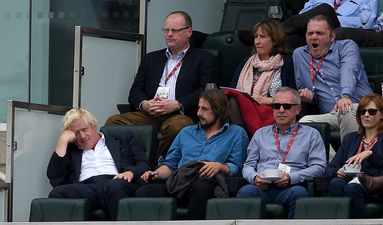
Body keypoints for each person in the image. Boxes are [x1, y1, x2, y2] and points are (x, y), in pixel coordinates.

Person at [105, 10, 218, 159]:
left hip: (180, 114)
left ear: (188, 31)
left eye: (175, 30)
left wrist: (178, 104)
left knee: (178, 126)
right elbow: (135, 91)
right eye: (166, 30)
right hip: (150, 113)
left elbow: (207, 91)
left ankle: (154, 162)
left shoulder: (204, 59)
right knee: (113, 122)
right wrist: (144, 104)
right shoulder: (151, 58)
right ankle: (128, 162)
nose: (169, 34)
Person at [135, 89, 249, 220]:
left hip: (208, 184)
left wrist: (220, 166)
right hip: (180, 183)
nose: (199, 113)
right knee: (143, 192)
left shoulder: (236, 133)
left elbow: (237, 167)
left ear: (218, 110)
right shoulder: (186, 132)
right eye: (199, 108)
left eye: (205, 109)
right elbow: (170, 164)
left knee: (201, 187)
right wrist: (156, 174)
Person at [236, 87, 327, 218]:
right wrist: (255, 178)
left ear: (298, 110)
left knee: (299, 194)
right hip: (263, 187)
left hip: (292, 187)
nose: (281, 110)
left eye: (287, 106)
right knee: (246, 192)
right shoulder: (260, 134)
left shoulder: (311, 135)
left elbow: (319, 167)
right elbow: (248, 165)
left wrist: (291, 178)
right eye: (276, 106)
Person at [47, 108, 150, 220]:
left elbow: (144, 164)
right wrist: (63, 140)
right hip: (86, 189)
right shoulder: (71, 149)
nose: (82, 136)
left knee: (114, 186)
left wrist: (131, 173)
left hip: (116, 182)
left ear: (93, 125)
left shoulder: (123, 139)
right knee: (57, 193)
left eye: (84, 129)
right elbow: (55, 178)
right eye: (76, 132)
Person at [294, 14, 373, 143]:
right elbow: (304, 87)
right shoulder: (299, 55)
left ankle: (352, 160)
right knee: (304, 124)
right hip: (332, 114)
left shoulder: (346, 46)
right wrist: (309, 97)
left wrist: (345, 96)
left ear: (332, 37)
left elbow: (349, 71)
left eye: (319, 33)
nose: (314, 37)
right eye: (310, 33)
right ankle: (334, 161)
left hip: (361, 109)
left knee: (347, 109)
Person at [226, 19, 296, 136]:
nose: (257, 41)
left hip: (271, 111)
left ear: (274, 40)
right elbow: (232, 90)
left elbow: (293, 96)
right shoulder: (246, 63)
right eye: (256, 37)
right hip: (244, 112)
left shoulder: (286, 62)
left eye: (262, 37)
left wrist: (268, 100)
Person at [325, 93, 383, 218]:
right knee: (336, 183)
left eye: (372, 112)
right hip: (351, 184)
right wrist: (339, 172)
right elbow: (330, 169)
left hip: (376, 188)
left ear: (381, 115)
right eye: (362, 111)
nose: (366, 115)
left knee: (353, 188)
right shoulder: (350, 139)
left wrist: (369, 153)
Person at [283, 1, 383, 48]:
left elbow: (367, 23)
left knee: (325, 9)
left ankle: (276, 30)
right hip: (312, 27)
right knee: (291, 38)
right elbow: (303, 15)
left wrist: (329, 19)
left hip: (339, 25)